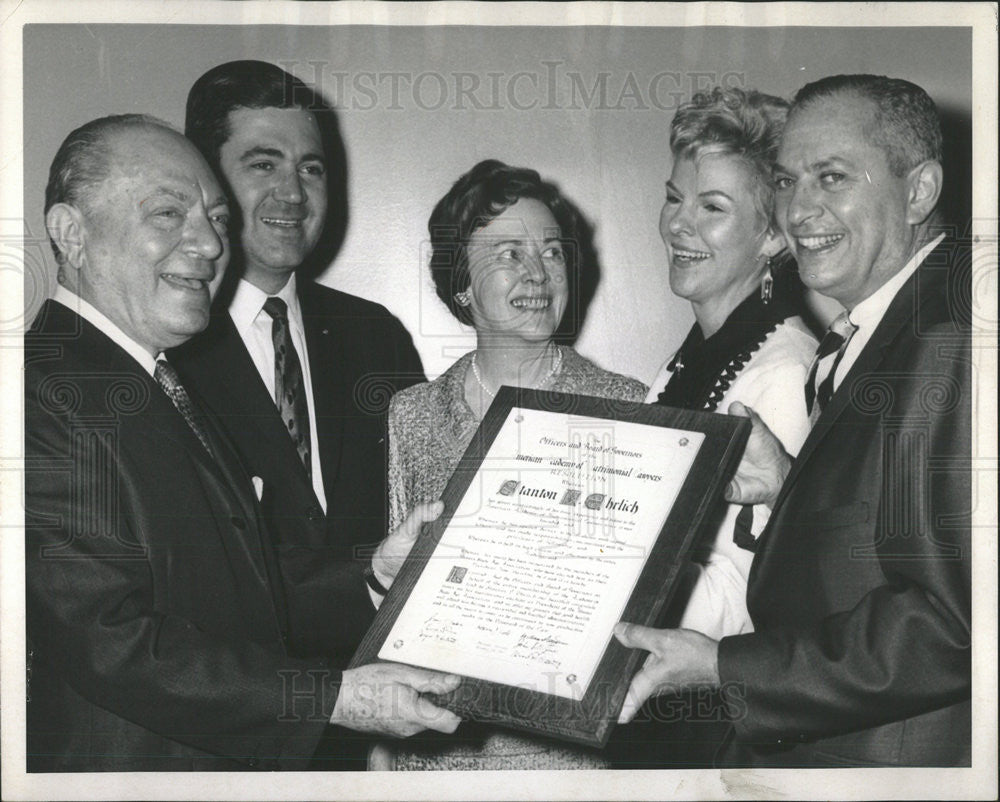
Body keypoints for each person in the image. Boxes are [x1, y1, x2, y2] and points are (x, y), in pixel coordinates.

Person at [25, 115, 459, 771]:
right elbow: (109, 638)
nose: (209, 244)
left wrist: (372, 576)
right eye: (168, 214)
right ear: (71, 234)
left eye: (218, 220)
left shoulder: (157, 381)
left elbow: (232, 589)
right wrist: (332, 697)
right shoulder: (35, 392)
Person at [616, 74, 971, 767]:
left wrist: (725, 667)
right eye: (786, 181)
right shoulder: (879, 330)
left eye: (832, 177)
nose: (799, 209)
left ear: (920, 191)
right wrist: (789, 487)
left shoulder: (951, 334)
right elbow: (881, 549)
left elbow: (952, 625)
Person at [374, 159, 648, 770]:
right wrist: (383, 746)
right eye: (508, 254)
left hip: (564, 757)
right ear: (461, 285)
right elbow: (399, 603)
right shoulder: (411, 415)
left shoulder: (628, 406)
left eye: (552, 252)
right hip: (433, 751)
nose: (538, 272)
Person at [171, 61, 426, 668]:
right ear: (207, 180)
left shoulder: (375, 336)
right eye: (263, 164)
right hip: (227, 714)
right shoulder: (164, 347)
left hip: (375, 712)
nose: (292, 192)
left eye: (310, 168)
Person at [610, 86, 818, 770]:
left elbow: (743, 595)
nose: (678, 225)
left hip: (716, 730)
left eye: (712, 208)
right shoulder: (691, 357)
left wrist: (596, 601)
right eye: (675, 197)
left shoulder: (784, 370)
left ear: (772, 236)